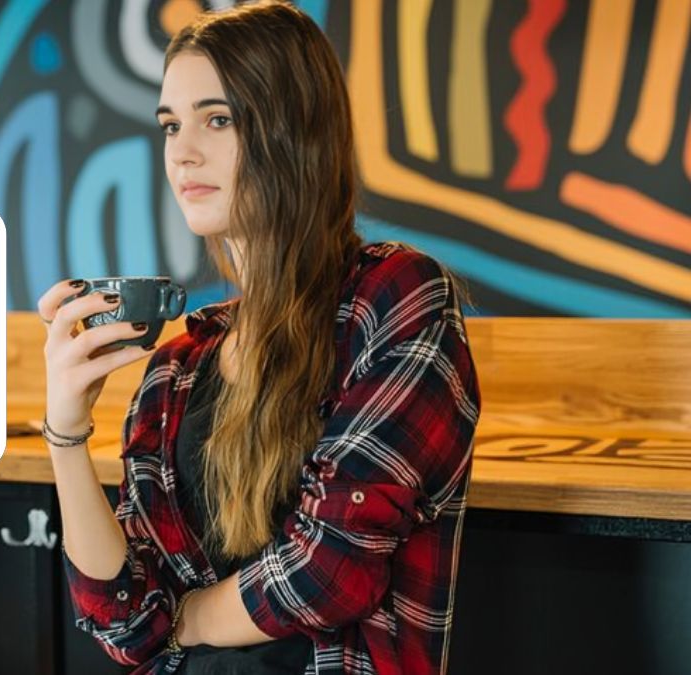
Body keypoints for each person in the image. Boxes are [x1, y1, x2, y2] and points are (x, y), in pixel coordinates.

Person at [35, 2, 481, 673]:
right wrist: (66, 432)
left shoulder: (396, 297)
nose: (181, 152)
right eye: (170, 125)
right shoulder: (178, 369)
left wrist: (182, 619)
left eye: (218, 119)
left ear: (296, 128)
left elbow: (331, 568)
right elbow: (125, 623)